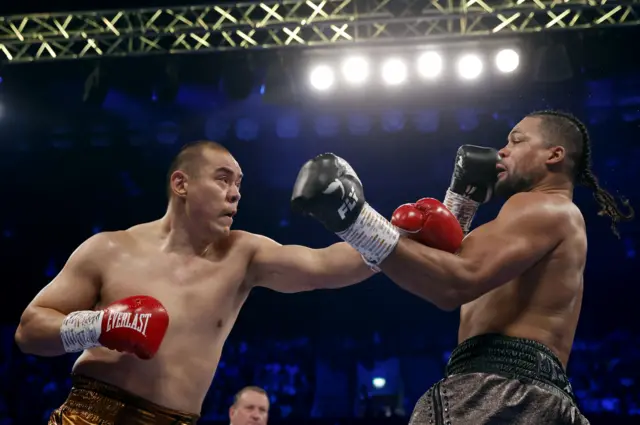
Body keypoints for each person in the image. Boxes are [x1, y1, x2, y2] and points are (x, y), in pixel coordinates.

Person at [291, 110, 634, 424]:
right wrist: (460, 204)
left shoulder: (544, 207)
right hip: (501, 389)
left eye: (516, 140)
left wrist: (354, 217)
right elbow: (441, 267)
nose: (502, 151)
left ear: (554, 155)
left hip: (506, 393)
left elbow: (455, 283)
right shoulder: (533, 220)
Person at [14, 141, 376, 425]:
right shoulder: (109, 249)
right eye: (223, 179)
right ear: (181, 183)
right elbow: (29, 331)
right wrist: (97, 326)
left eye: (238, 184)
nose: (235, 193)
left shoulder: (243, 255)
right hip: (91, 415)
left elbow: (326, 265)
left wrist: (393, 232)